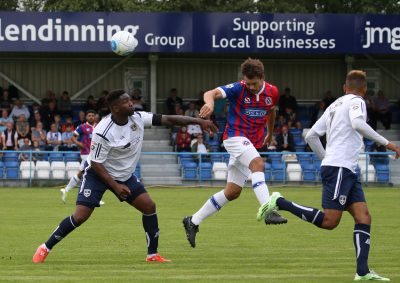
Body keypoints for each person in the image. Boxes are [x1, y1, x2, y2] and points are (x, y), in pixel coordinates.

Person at [33, 89, 217, 264]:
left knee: (149, 206)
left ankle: (152, 254)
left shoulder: (137, 118)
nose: (131, 104)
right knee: (80, 216)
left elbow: (168, 119)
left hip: (124, 176)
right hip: (98, 174)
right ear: (115, 108)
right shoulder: (102, 131)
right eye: (126, 102)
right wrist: (114, 186)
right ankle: (45, 247)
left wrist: (199, 122)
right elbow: (96, 163)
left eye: (131, 100)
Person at [257, 70, 400, 281]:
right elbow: (358, 124)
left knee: (363, 217)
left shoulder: (334, 105)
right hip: (341, 168)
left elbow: (311, 135)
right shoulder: (357, 101)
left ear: (344, 87)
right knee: (330, 221)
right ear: (364, 90)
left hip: (345, 168)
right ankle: (280, 201)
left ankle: (363, 272)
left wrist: (325, 157)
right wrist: (388, 143)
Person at [182, 58, 287, 249]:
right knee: (258, 164)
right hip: (234, 136)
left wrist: (270, 133)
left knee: (232, 192)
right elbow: (210, 93)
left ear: (262, 78)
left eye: (254, 83)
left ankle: (193, 221)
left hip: (250, 141)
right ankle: (268, 210)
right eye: (248, 83)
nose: (251, 87)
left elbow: (271, 112)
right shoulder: (238, 88)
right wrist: (210, 104)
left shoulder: (273, 91)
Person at [60, 110, 97, 203]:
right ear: (86, 117)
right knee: (93, 173)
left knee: (81, 173)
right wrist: (78, 143)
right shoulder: (82, 127)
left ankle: (66, 190)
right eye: (89, 115)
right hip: (86, 153)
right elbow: (72, 137)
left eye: (93, 115)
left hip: (95, 154)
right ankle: (93, 196)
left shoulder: (98, 126)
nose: (91, 117)